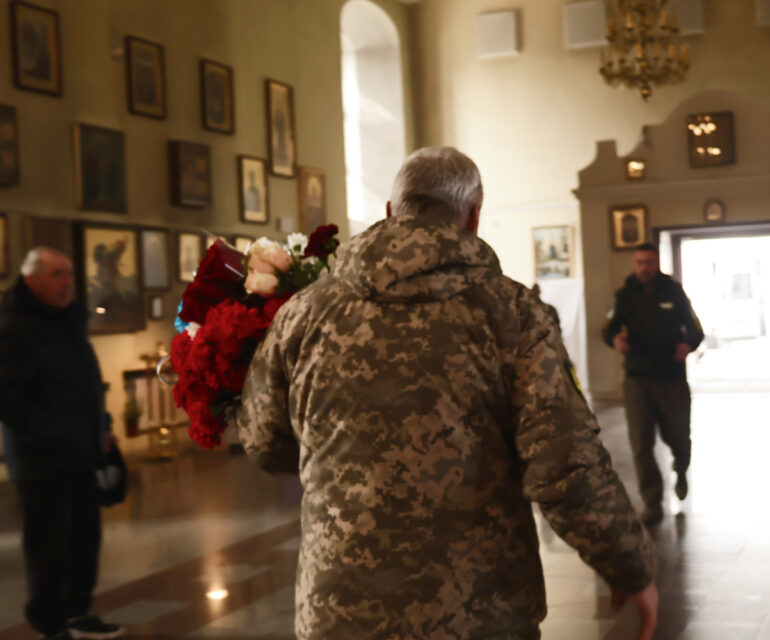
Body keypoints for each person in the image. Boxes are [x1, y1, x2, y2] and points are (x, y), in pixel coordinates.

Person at [238, 147, 658, 640]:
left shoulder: (303, 314)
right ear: (474, 215)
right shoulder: (514, 314)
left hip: (339, 609)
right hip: (479, 611)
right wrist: (631, 567)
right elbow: (565, 465)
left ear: (392, 212)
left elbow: (265, 442)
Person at [0, 248, 123, 640]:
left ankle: (77, 613)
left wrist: (101, 425)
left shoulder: (67, 321)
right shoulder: (14, 327)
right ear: (31, 280)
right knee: (48, 547)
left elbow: (87, 381)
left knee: (85, 540)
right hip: (42, 459)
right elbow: (8, 399)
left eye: (69, 274)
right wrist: (57, 431)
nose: (67, 283)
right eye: (56, 275)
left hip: (81, 453)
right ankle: (50, 624)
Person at [602, 243, 704, 525]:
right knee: (640, 445)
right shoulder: (624, 295)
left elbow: (696, 329)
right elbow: (608, 328)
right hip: (637, 380)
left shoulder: (674, 292)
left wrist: (688, 345)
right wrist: (615, 340)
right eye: (639, 262)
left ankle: (681, 469)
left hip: (671, 379)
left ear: (656, 263)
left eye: (648, 262)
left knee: (679, 437)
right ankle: (652, 501)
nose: (643, 267)